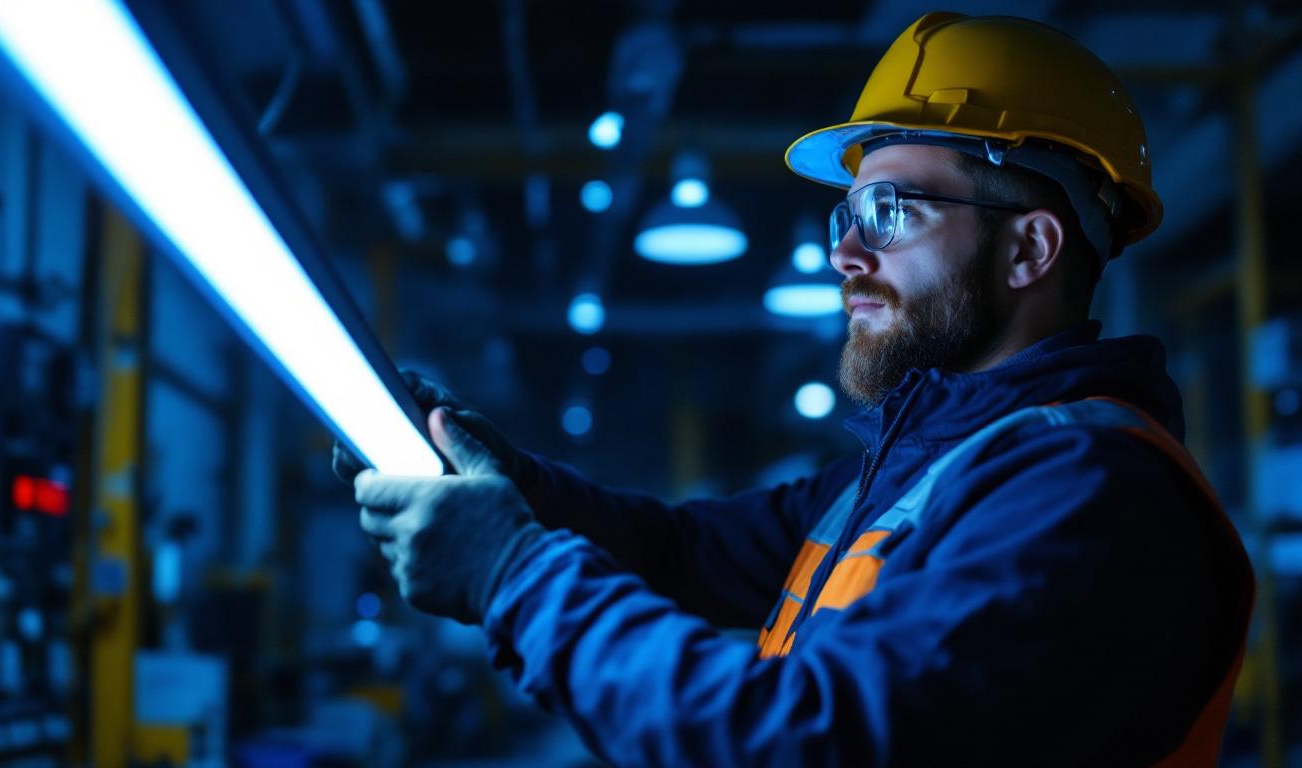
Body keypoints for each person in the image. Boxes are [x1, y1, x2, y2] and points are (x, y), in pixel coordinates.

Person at [336, 12, 1254, 766]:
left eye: (890, 212)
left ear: (1029, 249)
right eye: (846, 215)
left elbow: (813, 741)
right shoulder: (909, 472)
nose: (845, 254)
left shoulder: (1091, 493)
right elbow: (682, 551)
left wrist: (512, 572)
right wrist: (504, 479)